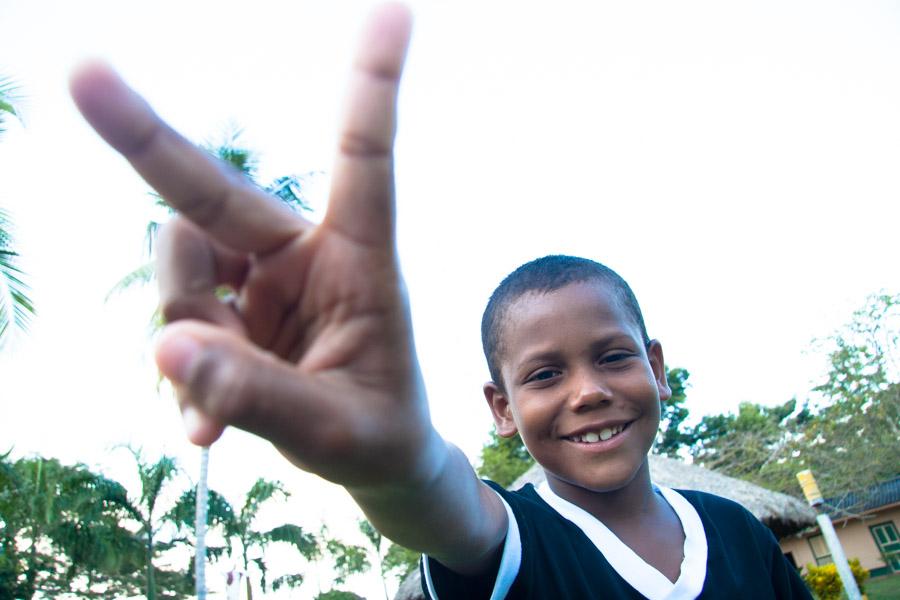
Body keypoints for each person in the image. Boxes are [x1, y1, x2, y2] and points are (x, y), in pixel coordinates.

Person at [68, 4, 811, 598]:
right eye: (544, 375)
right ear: (501, 410)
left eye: (613, 357)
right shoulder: (504, 541)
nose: (588, 392)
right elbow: (429, 488)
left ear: (656, 366)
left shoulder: (739, 532)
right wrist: (393, 462)